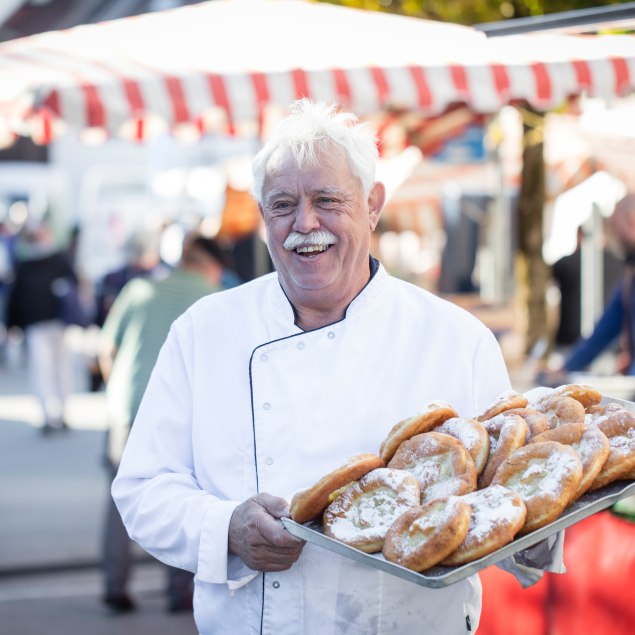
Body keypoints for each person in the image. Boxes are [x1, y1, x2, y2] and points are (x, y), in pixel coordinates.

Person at [112, 100, 562, 634]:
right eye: (283, 205)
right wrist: (225, 528)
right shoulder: (206, 331)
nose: (305, 224)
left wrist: (555, 508)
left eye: (327, 199)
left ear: (372, 205)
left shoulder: (455, 338)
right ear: (262, 217)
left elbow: (505, 506)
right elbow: (143, 487)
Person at [99, 233, 225, 614]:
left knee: (121, 503)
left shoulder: (138, 290)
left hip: (126, 411)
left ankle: (114, 586)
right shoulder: (214, 300)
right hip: (186, 418)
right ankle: (179, 592)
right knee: (185, 498)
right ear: (212, 266)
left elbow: (106, 350)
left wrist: (118, 392)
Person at [552, 194, 635, 379]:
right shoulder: (629, 272)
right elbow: (605, 329)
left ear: (632, 220)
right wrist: (566, 368)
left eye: (615, 227)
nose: (614, 237)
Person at [5, 222, 77, 434]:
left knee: (52, 369)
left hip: (51, 322)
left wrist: (12, 323)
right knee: (49, 369)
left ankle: (57, 413)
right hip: (44, 322)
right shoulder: (47, 260)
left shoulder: (44, 260)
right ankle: (52, 414)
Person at [551, 225, 621, 349]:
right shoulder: (619, 265)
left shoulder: (565, 264)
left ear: (579, 236)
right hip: (608, 344)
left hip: (570, 340)